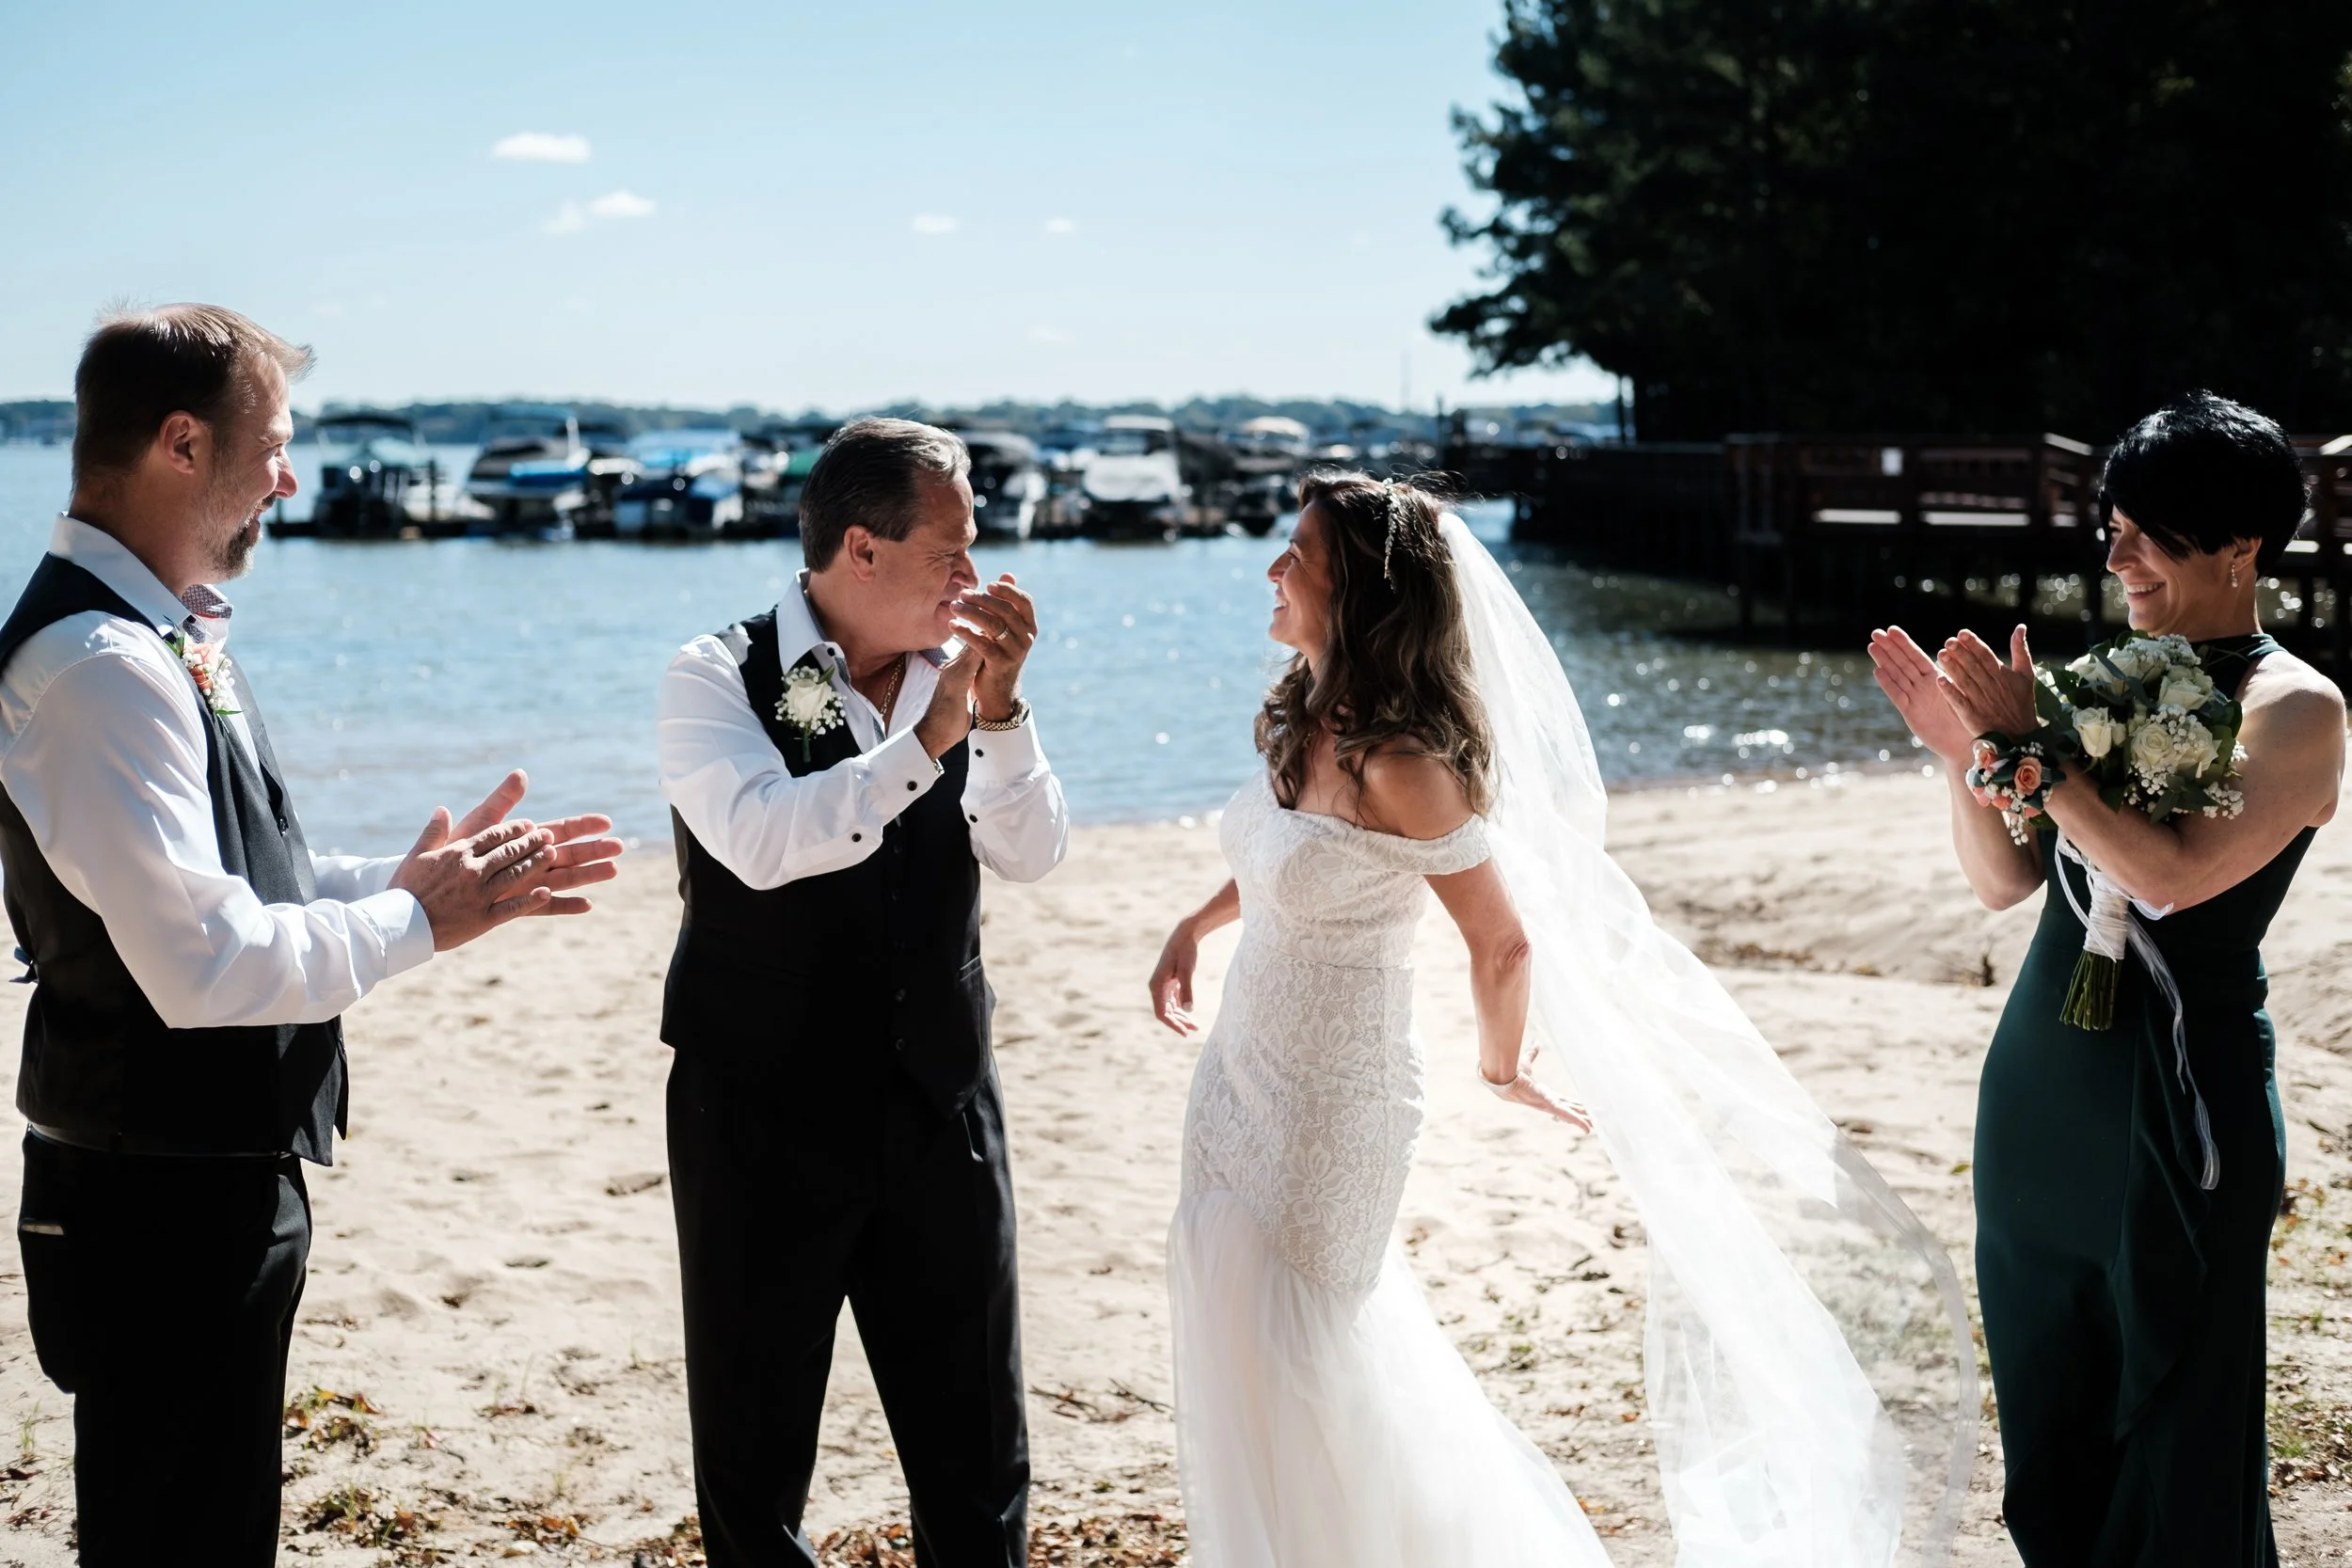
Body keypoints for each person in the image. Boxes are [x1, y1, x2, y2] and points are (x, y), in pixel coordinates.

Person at [1149, 473, 1975, 1566]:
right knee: (1234, 1325)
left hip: (1329, 1104)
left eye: (1297, 552)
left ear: (1359, 589)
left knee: (1306, 1349)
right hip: (1240, 1076)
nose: (1273, 567)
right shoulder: (1304, 710)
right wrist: (1196, 925)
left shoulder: (1406, 763)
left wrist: (1501, 1069)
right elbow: (1286, 857)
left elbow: (1503, 941)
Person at [0, 304, 625, 1566]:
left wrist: (404, 879)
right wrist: (410, 919)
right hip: (159, 1199)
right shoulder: (106, 666)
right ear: (184, 442)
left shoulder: (152, 634)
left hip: (185, 1177)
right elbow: (206, 962)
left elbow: (231, 883)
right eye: (272, 441)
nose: (291, 474)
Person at [1869, 391, 2344, 1566]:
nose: (2115, 554)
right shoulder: (2092, 678)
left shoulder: (2298, 707)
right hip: (2041, 1086)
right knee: (2051, 1406)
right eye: (2112, 525)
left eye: (2148, 530)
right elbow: (2002, 882)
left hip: (2183, 1092)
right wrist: (1962, 758)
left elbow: (2171, 877)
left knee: (2181, 1413)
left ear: (2241, 544)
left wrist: (2026, 749)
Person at [655, 418, 1068, 1567]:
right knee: (754, 1460)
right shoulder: (714, 675)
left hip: (940, 1103)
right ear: (861, 549)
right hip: (758, 1111)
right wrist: (929, 735)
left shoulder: (964, 680)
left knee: (977, 1455)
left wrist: (1000, 717)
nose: (973, 577)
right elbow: (762, 838)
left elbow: (1032, 854)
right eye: (950, 550)